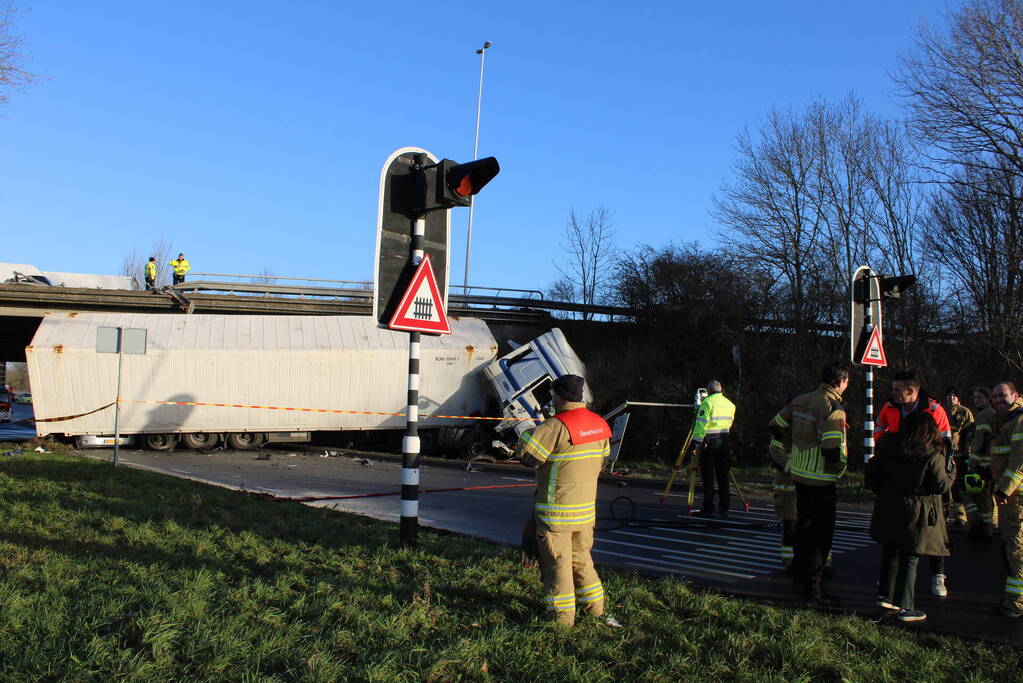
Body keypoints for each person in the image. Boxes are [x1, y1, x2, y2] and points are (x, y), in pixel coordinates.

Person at [513, 374, 614, 627]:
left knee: (557, 566)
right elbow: (602, 455)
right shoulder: (599, 424)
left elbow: (527, 456)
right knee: (582, 560)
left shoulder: (554, 426)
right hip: (585, 513)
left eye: (552, 394)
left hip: (555, 514)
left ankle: (561, 620)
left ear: (558, 396)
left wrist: (526, 431)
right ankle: (595, 610)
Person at [768, 362, 849, 606]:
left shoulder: (800, 400)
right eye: (846, 382)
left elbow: (775, 426)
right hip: (822, 478)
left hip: (799, 476)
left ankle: (800, 578)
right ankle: (814, 590)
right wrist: (839, 468)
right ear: (840, 382)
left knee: (803, 528)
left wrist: (796, 449)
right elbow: (832, 448)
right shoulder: (833, 407)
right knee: (821, 535)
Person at [867, 410, 953, 623]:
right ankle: (907, 607)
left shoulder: (889, 445)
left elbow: (872, 473)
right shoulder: (932, 452)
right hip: (917, 509)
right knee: (911, 555)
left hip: (888, 504)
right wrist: (952, 472)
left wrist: (883, 491)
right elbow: (941, 485)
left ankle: (886, 596)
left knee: (891, 549)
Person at [874, 370, 954, 598]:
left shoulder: (934, 410)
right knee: (897, 530)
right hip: (899, 475)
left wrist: (932, 463)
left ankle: (937, 575)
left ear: (911, 391)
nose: (893, 393)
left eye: (897, 389)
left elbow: (946, 443)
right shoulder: (889, 408)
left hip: (926, 476)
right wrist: (885, 448)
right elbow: (879, 427)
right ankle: (891, 582)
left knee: (933, 529)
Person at [990, 381, 1023, 618]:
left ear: (1015, 395)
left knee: (1017, 548)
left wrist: (1004, 489)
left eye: (1003, 395)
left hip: (1016, 496)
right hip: (1010, 495)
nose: (998, 400)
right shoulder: (1007, 420)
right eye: (995, 397)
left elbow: (1019, 461)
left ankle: (1016, 604)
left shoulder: (1019, 420)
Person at [690, 380, 736, 517]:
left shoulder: (707, 403)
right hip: (724, 441)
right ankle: (724, 507)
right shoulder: (730, 404)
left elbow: (701, 425)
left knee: (708, 477)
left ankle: (708, 507)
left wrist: (696, 443)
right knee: (723, 476)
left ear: (709, 391)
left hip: (710, 442)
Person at [969, 386, 998, 540]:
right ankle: (988, 525)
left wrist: (973, 463)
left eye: (980, 397)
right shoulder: (993, 414)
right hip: (992, 463)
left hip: (982, 464)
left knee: (976, 493)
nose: (976, 400)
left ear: (988, 399)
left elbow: (982, 440)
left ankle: (982, 527)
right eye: (975, 398)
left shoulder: (983, 415)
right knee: (987, 494)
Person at [944, 387, 974, 528]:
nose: (951, 398)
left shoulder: (964, 412)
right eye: (949, 395)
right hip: (943, 453)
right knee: (944, 485)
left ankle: (961, 516)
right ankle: (943, 514)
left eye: (954, 396)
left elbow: (969, 433)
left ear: (958, 398)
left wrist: (967, 453)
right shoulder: (940, 411)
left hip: (960, 453)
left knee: (959, 486)